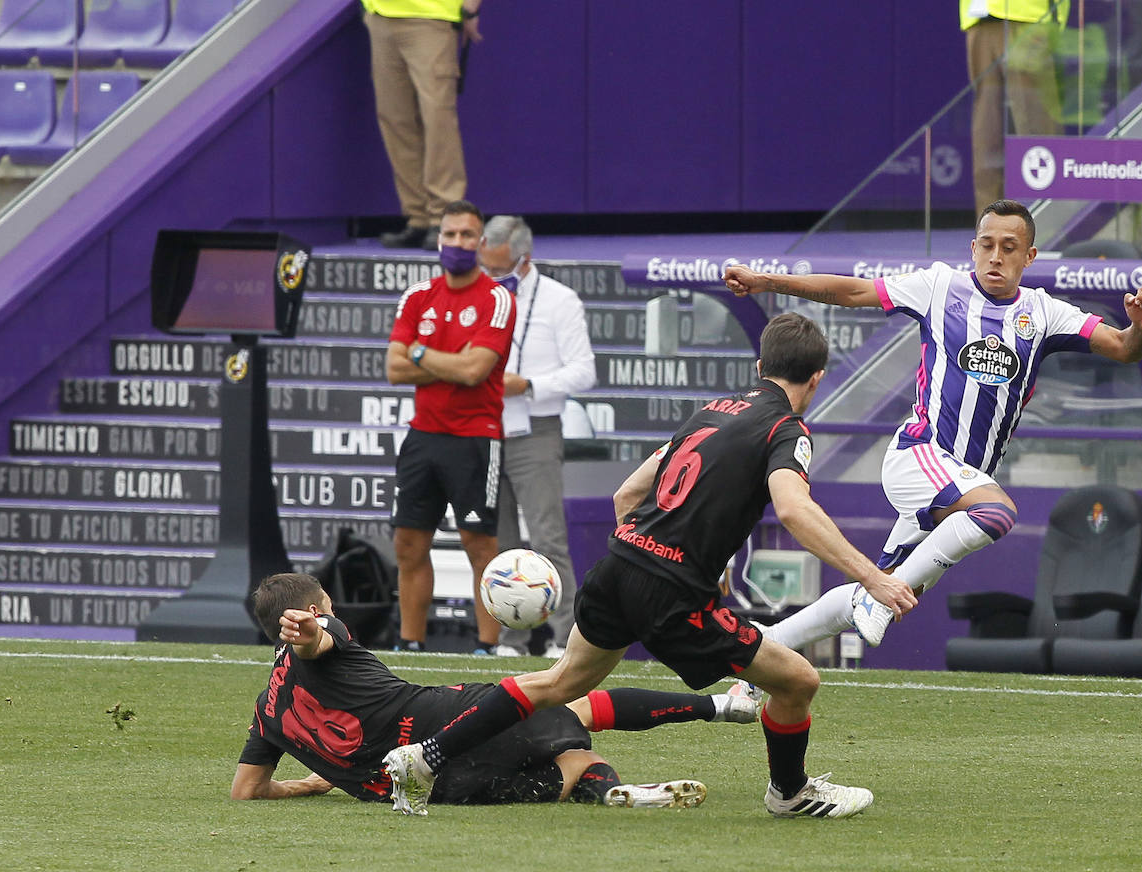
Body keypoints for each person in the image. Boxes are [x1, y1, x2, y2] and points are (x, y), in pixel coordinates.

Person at [379, 313, 920, 819]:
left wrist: (652, 559)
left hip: (618, 566)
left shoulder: (711, 412)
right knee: (798, 681)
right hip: (671, 593)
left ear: (760, 367)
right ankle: (790, 793)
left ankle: (424, 757)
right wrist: (873, 577)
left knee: (559, 680)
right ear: (817, 378)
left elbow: (627, 494)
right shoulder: (786, 429)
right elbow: (794, 510)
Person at [721, 199, 1142, 660]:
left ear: (1030, 256)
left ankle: (762, 648)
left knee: (883, 588)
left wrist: (1141, 329)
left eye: (1009, 248)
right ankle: (872, 602)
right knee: (996, 513)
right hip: (920, 456)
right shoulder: (939, 287)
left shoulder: (1044, 313)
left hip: (958, 486)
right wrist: (767, 282)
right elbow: (853, 291)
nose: (996, 257)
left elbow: (1123, 347)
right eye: (987, 245)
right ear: (973, 248)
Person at [231, 573, 757, 812]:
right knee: (573, 705)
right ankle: (724, 705)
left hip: (424, 791)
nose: (333, 613)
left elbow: (246, 791)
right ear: (315, 609)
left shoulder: (265, 713)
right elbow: (319, 640)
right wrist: (313, 631)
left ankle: (615, 795)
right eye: (328, 605)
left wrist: (309, 785)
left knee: (576, 766)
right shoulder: (325, 634)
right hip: (445, 721)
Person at [386, 200, 514, 654]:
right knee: (408, 542)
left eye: (466, 235)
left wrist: (421, 353)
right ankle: (410, 643)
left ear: (481, 242)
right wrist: (449, 362)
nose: (458, 242)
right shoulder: (417, 296)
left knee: (479, 545)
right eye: (450, 234)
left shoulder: (497, 298)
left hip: (475, 436)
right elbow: (394, 369)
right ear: (439, 239)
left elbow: (474, 371)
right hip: (423, 434)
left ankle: (486, 647)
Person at [478, 216, 597, 658]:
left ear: (523, 260)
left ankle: (565, 638)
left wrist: (528, 385)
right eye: (485, 266)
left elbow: (584, 371)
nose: (489, 275)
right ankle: (509, 639)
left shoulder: (558, 300)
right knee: (498, 541)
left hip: (535, 428)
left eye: (497, 268)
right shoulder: (478, 294)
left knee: (547, 539)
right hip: (484, 427)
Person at [361, 0, 482, 250]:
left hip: (431, 17)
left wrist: (471, 8)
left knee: (438, 120)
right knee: (395, 120)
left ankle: (445, 217)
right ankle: (418, 218)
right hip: (380, 15)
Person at [962, 0, 1066, 214]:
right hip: (980, 15)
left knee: (1036, 126)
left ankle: (1043, 219)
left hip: (1029, 16)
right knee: (987, 130)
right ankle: (990, 225)